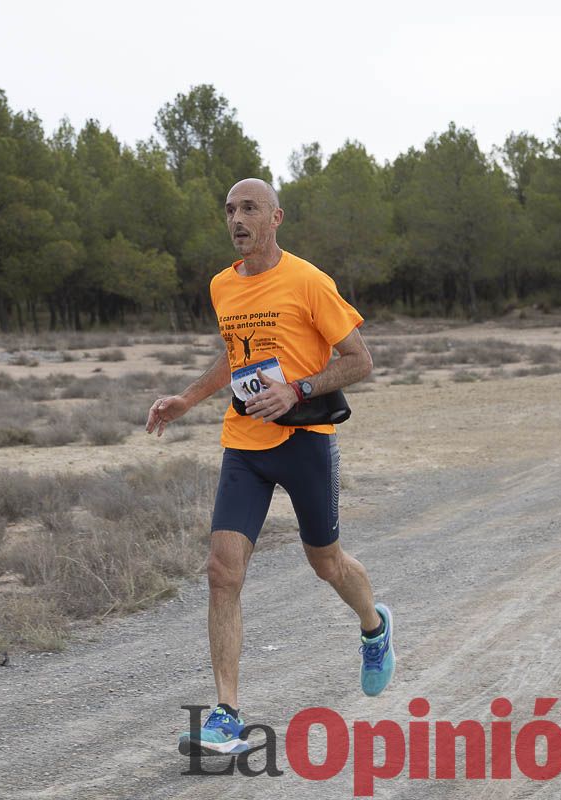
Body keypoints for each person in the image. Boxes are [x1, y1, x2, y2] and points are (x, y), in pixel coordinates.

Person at [146, 178, 395, 756]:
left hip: (305, 441)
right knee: (222, 570)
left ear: (275, 217)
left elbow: (359, 360)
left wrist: (297, 389)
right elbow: (234, 355)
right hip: (244, 445)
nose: (237, 219)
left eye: (249, 208)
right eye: (230, 210)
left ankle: (374, 626)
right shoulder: (221, 286)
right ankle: (226, 714)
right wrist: (187, 398)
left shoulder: (308, 281)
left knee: (326, 564)